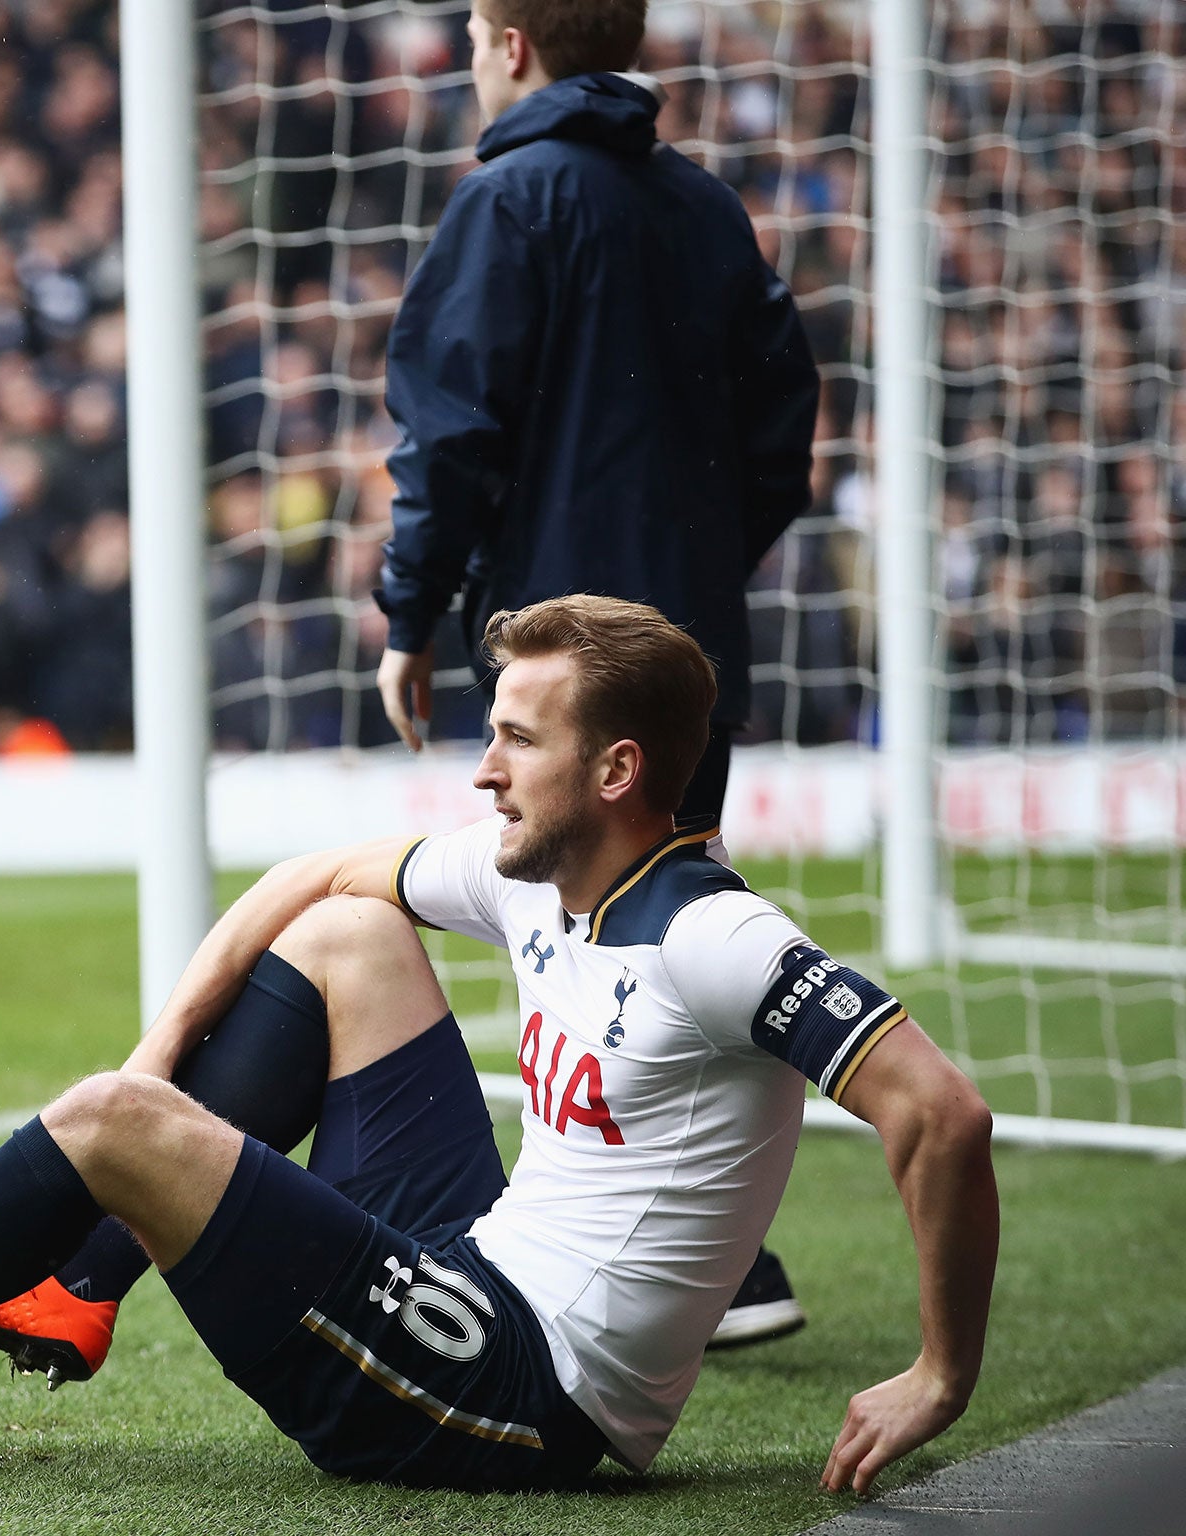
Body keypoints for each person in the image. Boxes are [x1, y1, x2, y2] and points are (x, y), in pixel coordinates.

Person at [0, 596, 997, 1495]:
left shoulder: (714, 939)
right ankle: (81, 1291)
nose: (483, 767)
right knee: (342, 941)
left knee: (105, 1126)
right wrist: (160, 1054)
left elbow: (942, 1114)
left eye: (518, 740)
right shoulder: (542, 873)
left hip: (525, 1402)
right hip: (475, 1268)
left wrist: (941, 1373)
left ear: (618, 770)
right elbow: (315, 883)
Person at [370, 0, 823, 1342]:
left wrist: (410, 609)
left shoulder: (507, 202)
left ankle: (662, 1276)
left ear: (510, 43)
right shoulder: (705, 209)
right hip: (681, 653)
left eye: (469, 33)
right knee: (671, 932)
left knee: (579, 944)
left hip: (561, 658)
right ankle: (725, 1265)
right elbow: (781, 430)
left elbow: (449, 431)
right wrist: (690, 579)